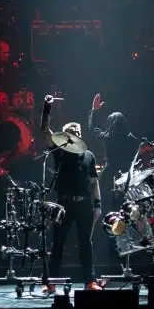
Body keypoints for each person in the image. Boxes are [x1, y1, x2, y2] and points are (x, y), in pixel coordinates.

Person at [44, 119, 102, 292]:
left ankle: (90, 282)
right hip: (64, 204)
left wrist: (98, 204)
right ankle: (50, 283)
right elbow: (46, 133)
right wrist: (47, 112)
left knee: (86, 243)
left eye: (77, 131)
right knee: (58, 243)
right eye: (71, 131)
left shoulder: (89, 155)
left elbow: (94, 182)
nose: (75, 133)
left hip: (84, 205)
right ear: (65, 135)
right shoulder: (59, 152)